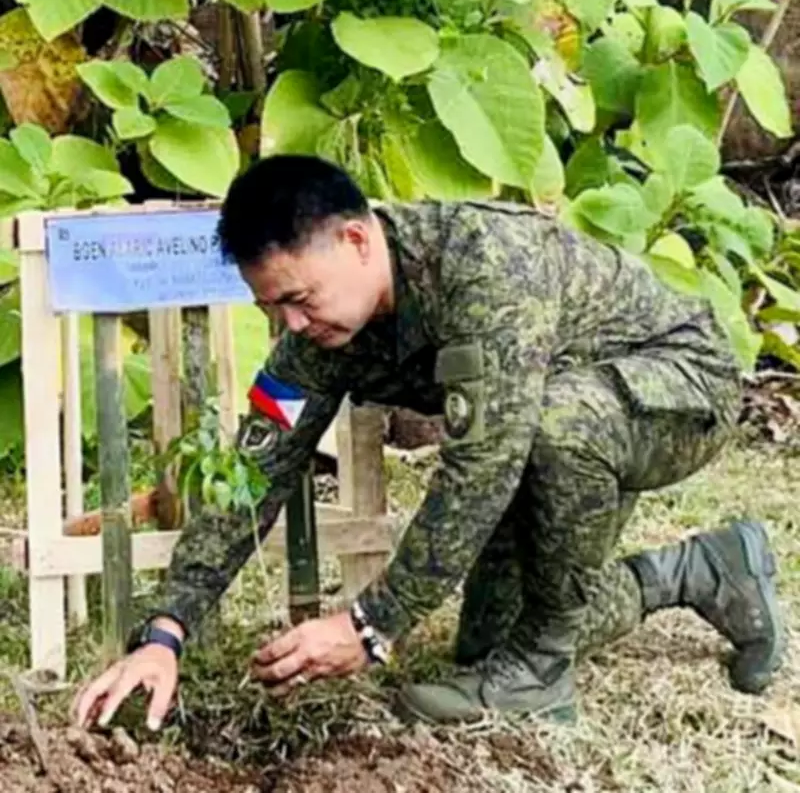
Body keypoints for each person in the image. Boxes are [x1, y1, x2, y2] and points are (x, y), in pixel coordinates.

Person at [73, 155, 784, 731]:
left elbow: (484, 465)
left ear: (355, 241)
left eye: (299, 298)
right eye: (272, 308)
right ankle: (701, 570)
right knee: (483, 646)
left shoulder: (484, 267)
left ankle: (544, 671)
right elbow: (258, 463)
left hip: (677, 388)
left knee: (553, 427)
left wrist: (369, 625)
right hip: (556, 410)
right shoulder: (317, 334)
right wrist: (166, 632)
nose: (289, 324)